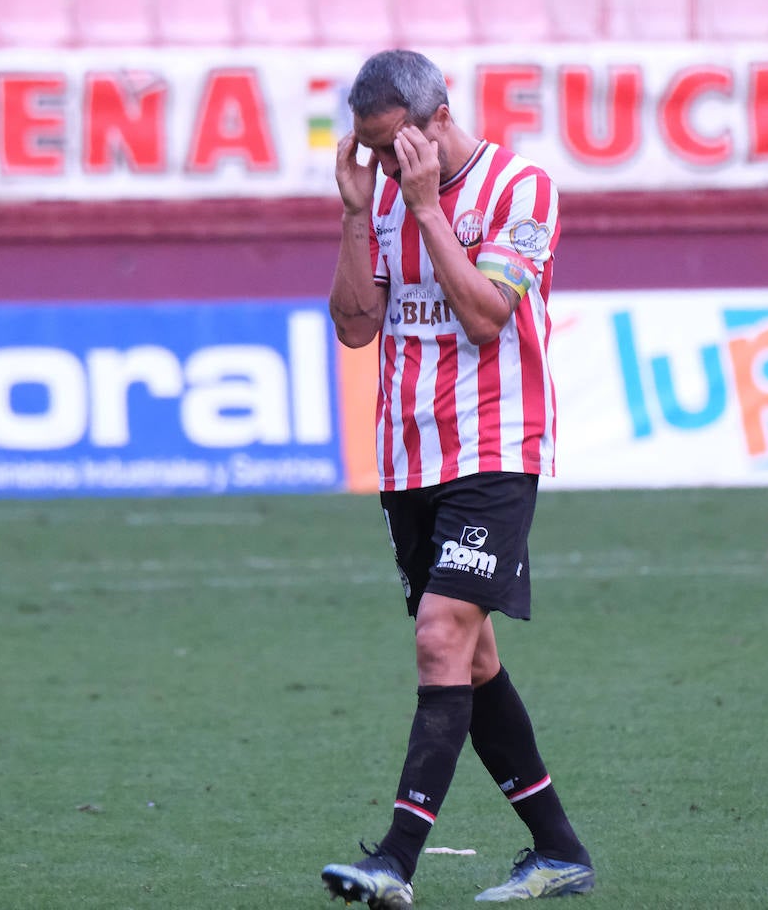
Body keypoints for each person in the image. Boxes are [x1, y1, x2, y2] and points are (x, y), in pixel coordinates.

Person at [319, 50, 593, 908]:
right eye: (367, 150)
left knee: (440, 637)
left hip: (496, 446)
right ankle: (560, 850)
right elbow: (356, 329)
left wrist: (429, 209)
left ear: (438, 118)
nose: (383, 166)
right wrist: (359, 217)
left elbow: (483, 318)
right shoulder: (385, 201)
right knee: (469, 660)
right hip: (407, 457)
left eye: (391, 146)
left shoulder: (522, 189)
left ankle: (395, 860)